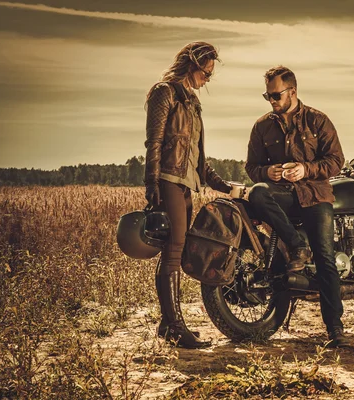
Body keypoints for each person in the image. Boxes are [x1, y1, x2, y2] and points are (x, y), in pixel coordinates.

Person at [245, 66, 348, 348]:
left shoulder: (318, 120)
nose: (271, 101)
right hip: (282, 196)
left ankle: (335, 329)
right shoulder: (262, 126)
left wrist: (306, 169)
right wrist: (269, 174)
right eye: (267, 96)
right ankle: (295, 245)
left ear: (293, 91)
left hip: (315, 195)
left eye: (275, 95)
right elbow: (252, 168)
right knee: (257, 193)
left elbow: (336, 160)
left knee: (326, 258)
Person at [144, 41, 237, 348]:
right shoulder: (165, 92)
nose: (208, 79)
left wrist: (224, 185)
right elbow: (154, 143)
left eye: (210, 74)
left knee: (179, 250)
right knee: (173, 251)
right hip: (169, 179)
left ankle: (168, 324)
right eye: (206, 72)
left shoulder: (193, 102)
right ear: (192, 65)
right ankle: (173, 326)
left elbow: (198, 157)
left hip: (186, 182)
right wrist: (152, 185)